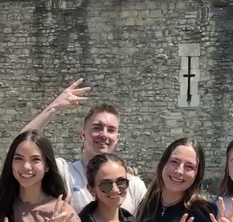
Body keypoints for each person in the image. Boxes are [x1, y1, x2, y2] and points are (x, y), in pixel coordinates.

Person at [21, 80, 147, 212]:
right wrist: (54, 107)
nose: (104, 135)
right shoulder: (65, 173)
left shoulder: (133, 185)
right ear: (83, 134)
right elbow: (20, 146)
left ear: (117, 138)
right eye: (97, 128)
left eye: (110, 130)